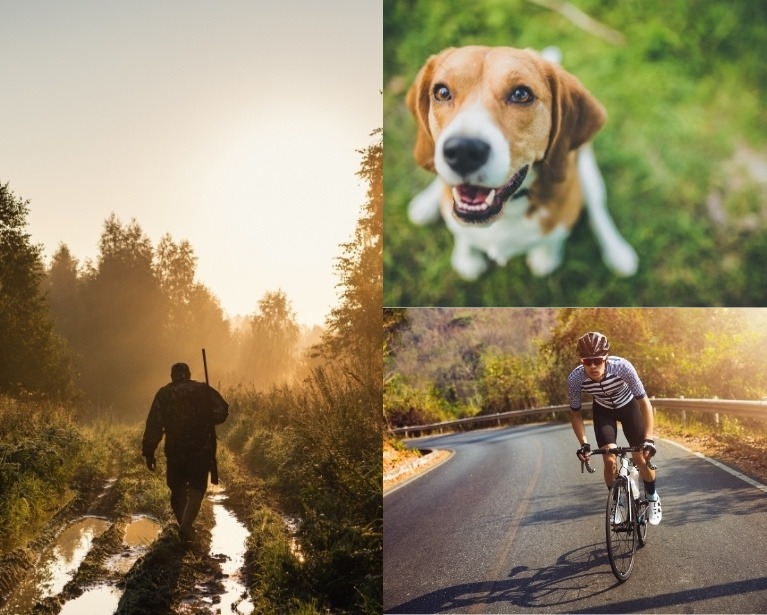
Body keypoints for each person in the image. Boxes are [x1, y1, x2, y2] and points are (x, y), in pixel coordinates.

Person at [567, 332, 662, 525]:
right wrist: (584, 443)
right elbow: (575, 413)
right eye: (587, 361)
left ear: (606, 358)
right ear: (581, 360)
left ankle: (653, 498)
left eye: (598, 360)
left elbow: (644, 403)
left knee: (639, 457)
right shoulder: (575, 379)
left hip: (629, 407)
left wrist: (649, 438)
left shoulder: (622, 367)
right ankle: (618, 502)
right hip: (603, 411)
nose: (593, 366)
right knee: (609, 459)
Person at [142, 362, 229, 541]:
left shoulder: (164, 394)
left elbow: (154, 425)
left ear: (172, 375)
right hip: (200, 448)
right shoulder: (202, 389)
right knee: (197, 488)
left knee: (177, 490)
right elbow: (222, 410)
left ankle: (184, 526)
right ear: (188, 374)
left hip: (175, 449)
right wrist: (206, 419)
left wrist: (149, 451)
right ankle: (186, 527)